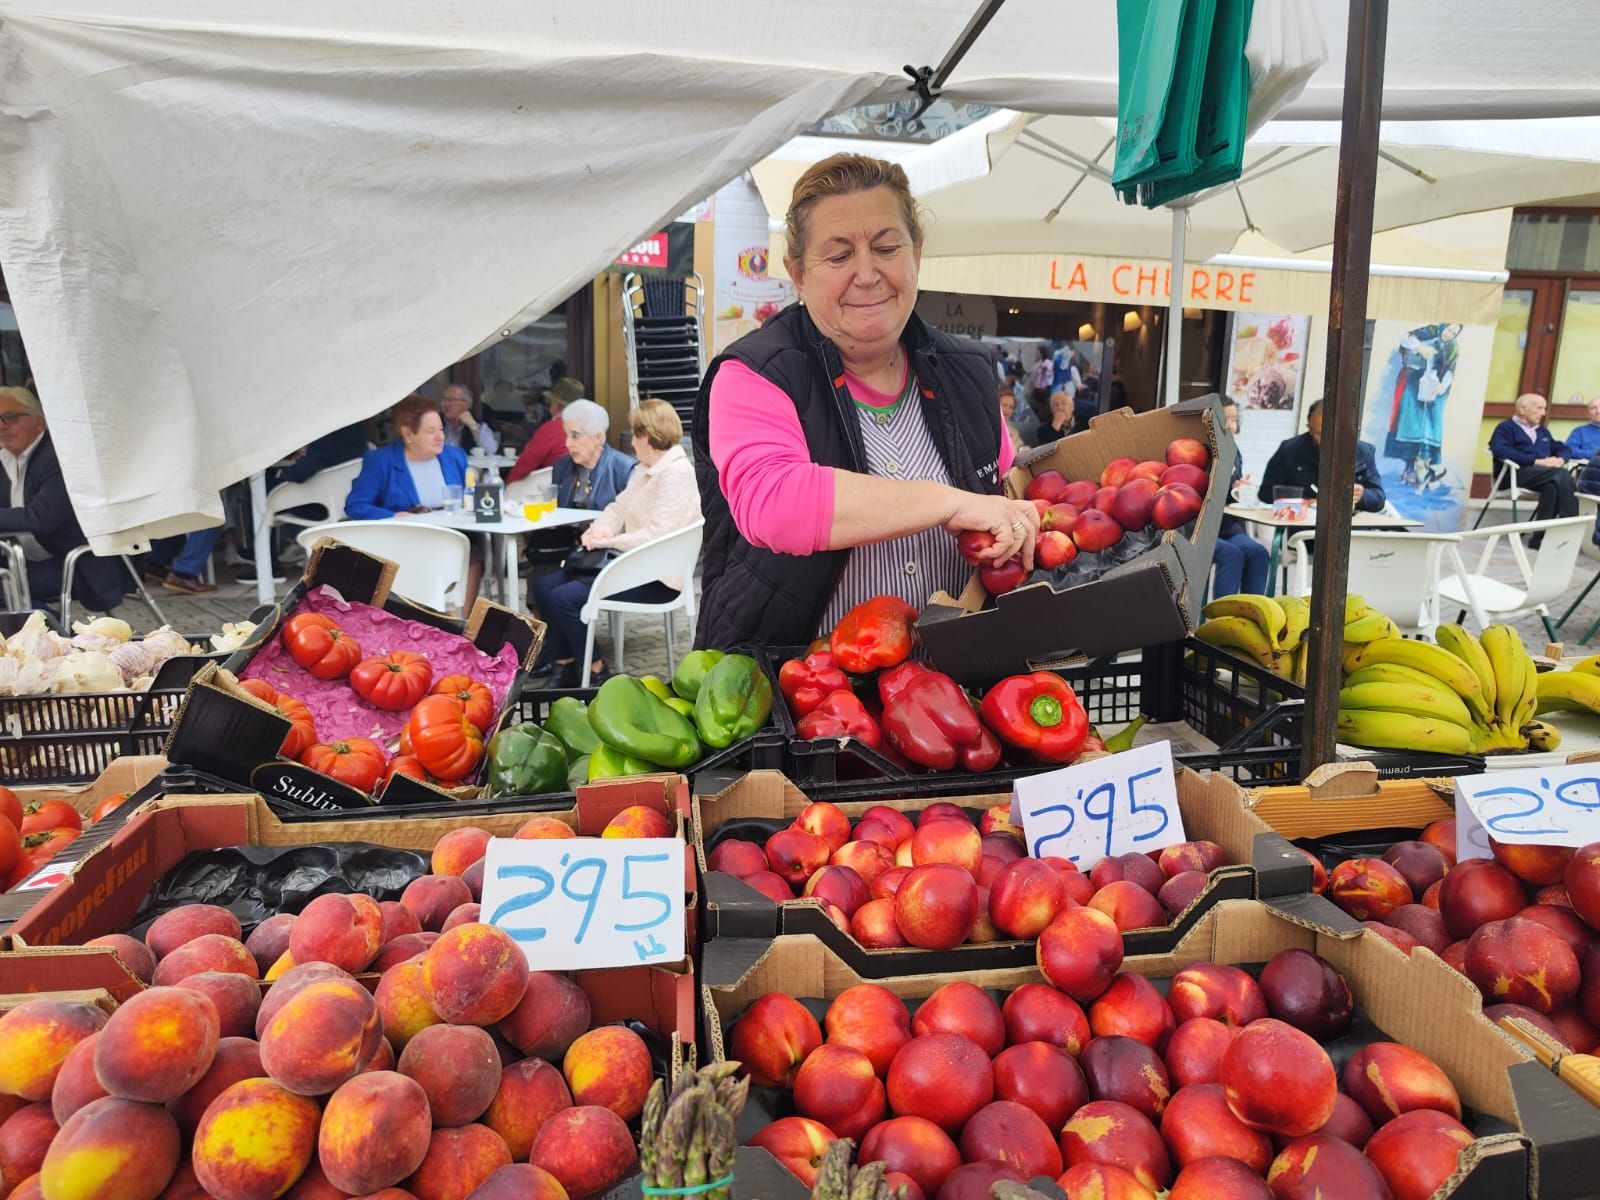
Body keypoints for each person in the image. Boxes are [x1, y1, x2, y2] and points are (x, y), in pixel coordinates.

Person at [696, 152, 1034, 648]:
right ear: (798, 274)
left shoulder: (969, 369)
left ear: (916, 252)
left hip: (948, 688)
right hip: (798, 694)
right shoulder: (753, 373)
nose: (868, 273)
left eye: (886, 246)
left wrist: (1019, 521)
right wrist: (949, 503)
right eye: (838, 255)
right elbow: (774, 503)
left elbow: (1004, 487)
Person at [531, 400, 700, 687]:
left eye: (635, 435)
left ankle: (596, 670)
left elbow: (656, 535)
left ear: (648, 435)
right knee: (544, 587)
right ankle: (565, 665)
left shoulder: (676, 473)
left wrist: (609, 541)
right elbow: (617, 508)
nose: (632, 442)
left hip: (657, 575)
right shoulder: (647, 468)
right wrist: (597, 532)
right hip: (634, 564)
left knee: (563, 598)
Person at [0, 386, 125, 611]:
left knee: (5, 590)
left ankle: (54, 636)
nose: (1, 426)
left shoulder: (60, 460)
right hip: (23, 561)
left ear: (40, 422)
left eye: (10, 417)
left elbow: (41, 518)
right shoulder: (4, 458)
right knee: (8, 589)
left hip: (76, 562)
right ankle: (40, 631)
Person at [1260, 399, 1387, 513]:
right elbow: (1266, 493)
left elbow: (1379, 500)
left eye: (1335, 433)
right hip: (1303, 525)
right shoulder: (1289, 450)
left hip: (1351, 528)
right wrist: (1303, 501)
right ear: (1309, 428)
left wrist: (1363, 495)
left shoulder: (1363, 451)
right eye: (1320, 434)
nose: (1328, 440)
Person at [1488, 392, 1578, 541]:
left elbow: (1562, 448)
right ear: (1522, 409)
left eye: (1544, 409)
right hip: (1513, 476)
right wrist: (1535, 461)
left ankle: (1539, 539)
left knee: (1552, 486)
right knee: (1560, 474)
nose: (1543, 413)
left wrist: (1561, 459)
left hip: (1542, 476)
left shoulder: (1542, 431)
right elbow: (1500, 450)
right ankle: (1571, 524)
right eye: (1539, 408)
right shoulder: (1505, 428)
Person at [1211, 398, 1269, 597]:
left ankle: (1253, 614)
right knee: (1232, 554)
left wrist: (1238, 489)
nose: (1229, 425)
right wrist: (1229, 486)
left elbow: (1229, 497)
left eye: (1234, 419)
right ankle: (1221, 620)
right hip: (1200, 531)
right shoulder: (1199, 452)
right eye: (1223, 419)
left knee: (1258, 552)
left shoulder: (1235, 453)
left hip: (1228, 527)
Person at [552, 399, 638, 512]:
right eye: (566, 435)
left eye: (575, 436)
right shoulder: (562, 465)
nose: (567, 444)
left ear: (598, 438)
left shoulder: (625, 470)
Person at [508, 378, 586, 482]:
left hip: (552, 492)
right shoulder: (590, 429)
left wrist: (507, 487)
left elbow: (524, 467)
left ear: (558, 405)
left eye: (550, 402)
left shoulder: (551, 429)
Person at [440, 384, 499, 454]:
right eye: (444, 399)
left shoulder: (476, 425)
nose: (446, 404)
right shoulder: (436, 423)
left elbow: (491, 450)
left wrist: (472, 425)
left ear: (466, 404)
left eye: (451, 400)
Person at [1565, 394, 1600, 462]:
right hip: (1589, 469)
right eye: (1593, 408)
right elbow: (1569, 450)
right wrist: (1595, 454)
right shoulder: (1579, 431)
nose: (1598, 411)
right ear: (1587, 413)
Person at [997, 386, 1027, 454]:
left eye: (1011, 407)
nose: (1008, 410)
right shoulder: (987, 430)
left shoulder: (1014, 432)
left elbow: (1023, 451)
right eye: (1004, 405)